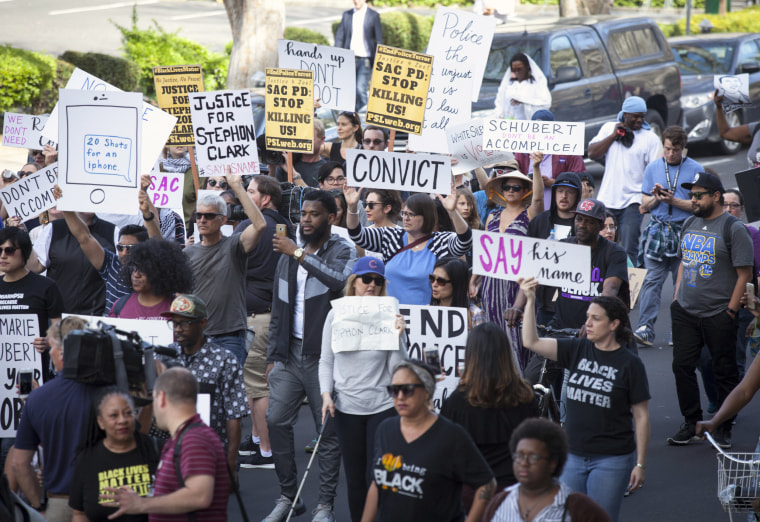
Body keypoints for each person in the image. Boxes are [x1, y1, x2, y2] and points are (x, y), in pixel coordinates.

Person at [519, 278, 650, 522]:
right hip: (573, 457)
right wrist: (529, 300)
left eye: (595, 319)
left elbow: (641, 416)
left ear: (614, 324)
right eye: (587, 317)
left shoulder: (630, 364)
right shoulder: (576, 349)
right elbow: (531, 342)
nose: (587, 323)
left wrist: (640, 465)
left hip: (611, 459)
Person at [264, 190, 357, 522]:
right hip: (289, 355)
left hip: (325, 358)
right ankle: (289, 496)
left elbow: (339, 280)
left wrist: (298, 252)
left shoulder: (341, 249)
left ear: (331, 219)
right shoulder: (288, 255)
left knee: (327, 433)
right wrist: (273, 355)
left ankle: (324, 505)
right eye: (302, 213)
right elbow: (279, 307)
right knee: (274, 421)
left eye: (314, 214)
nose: (305, 219)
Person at [667, 172, 754, 449]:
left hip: (718, 312)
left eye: (698, 195)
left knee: (724, 369)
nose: (692, 200)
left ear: (716, 196)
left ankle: (724, 426)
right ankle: (691, 423)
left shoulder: (733, 228)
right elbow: (683, 261)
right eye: (691, 195)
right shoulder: (690, 223)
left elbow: (744, 274)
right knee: (682, 366)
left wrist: (730, 311)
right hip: (685, 310)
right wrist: (676, 295)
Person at [319, 257, 407, 522]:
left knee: (380, 476)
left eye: (378, 281)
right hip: (347, 407)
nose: (371, 285)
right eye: (366, 279)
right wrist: (325, 394)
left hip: (382, 405)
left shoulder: (390, 314)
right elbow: (326, 359)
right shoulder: (336, 313)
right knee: (355, 478)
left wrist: (399, 338)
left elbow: (398, 369)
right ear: (354, 282)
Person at [360, 360, 496, 522]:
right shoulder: (385, 429)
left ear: (427, 392)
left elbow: (487, 483)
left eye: (407, 390)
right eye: (394, 390)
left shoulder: (451, 435)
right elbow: (378, 483)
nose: (400, 397)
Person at [101, 368, 229, 521]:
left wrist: (142, 504)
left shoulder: (194, 439)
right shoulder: (184, 438)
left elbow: (199, 495)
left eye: (153, 398)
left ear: (161, 398)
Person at [440, 323, 539, 509]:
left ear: (470, 355)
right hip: (514, 492)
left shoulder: (458, 401)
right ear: (505, 353)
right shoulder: (525, 395)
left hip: (471, 493)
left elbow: (445, 451)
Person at [12, 316, 98, 522]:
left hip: (59, 504)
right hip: (104, 501)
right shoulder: (109, 393)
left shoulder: (38, 399)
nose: (49, 353)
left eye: (51, 347)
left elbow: (19, 463)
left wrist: (38, 506)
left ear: (61, 351)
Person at [236, 175, 293, 469]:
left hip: (256, 319)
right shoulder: (285, 226)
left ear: (265, 198)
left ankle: (267, 451)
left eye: (250, 191)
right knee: (259, 383)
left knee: (258, 387)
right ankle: (258, 439)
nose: (245, 195)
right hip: (275, 315)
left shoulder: (248, 227)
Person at [157, 294, 248, 478]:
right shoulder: (165, 356)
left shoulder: (224, 360)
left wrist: (231, 463)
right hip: (169, 453)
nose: (178, 329)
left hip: (209, 455)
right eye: (174, 323)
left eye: (185, 323)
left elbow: (234, 415)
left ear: (203, 323)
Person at [184, 172, 267, 365]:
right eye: (199, 215)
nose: (202, 220)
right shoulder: (188, 253)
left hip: (230, 337)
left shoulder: (234, 245)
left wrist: (237, 186)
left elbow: (260, 224)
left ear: (223, 220)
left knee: (227, 393)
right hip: (197, 336)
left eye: (209, 216)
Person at [633, 126, 702, 346]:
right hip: (658, 230)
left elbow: (700, 205)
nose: (671, 153)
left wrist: (673, 201)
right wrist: (656, 198)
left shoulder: (696, 169)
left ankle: (679, 331)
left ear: (684, 148)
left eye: (676, 149)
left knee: (681, 284)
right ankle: (645, 328)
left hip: (685, 230)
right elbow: (644, 206)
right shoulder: (653, 168)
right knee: (652, 281)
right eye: (667, 148)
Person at [346, 186, 472, 305]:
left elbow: (465, 242)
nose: (405, 218)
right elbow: (358, 235)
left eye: (411, 215)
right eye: (404, 214)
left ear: (427, 216)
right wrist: (352, 208)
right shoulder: (391, 236)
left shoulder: (440, 241)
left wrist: (453, 212)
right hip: (391, 318)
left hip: (425, 318)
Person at [471, 166, 543, 371]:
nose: (510, 190)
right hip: (491, 286)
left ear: (525, 191)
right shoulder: (492, 217)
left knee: (519, 342)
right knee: (494, 343)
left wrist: (535, 167)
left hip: (517, 285)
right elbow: (486, 253)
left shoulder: (529, 214)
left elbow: (538, 200)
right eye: (506, 187)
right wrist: (475, 278)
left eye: (516, 187)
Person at [483, 418, 612, 522]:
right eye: (519, 455)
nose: (524, 463)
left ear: (552, 464)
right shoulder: (499, 503)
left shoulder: (579, 509)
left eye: (533, 457)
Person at [588, 96, 663, 263]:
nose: (639, 120)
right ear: (624, 114)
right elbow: (592, 153)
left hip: (633, 201)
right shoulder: (609, 128)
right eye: (635, 116)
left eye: (642, 116)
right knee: (601, 243)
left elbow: (656, 171)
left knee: (629, 247)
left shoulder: (650, 138)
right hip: (608, 199)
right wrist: (614, 135)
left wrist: (650, 200)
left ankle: (630, 285)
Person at [69, 388, 160, 522]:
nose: (122, 420)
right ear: (100, 422)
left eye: (128, 413)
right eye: (113, 415)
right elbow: (79, 513)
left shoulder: (157, 450)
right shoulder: (87, 460)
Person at [0, 227, 63, 377]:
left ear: (25, 253)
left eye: (9, 250)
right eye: (0, 250)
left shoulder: (47, 287)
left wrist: (49, 341)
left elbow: (59, 329)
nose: (3, 256)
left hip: (33, 372)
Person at [514, 110, 585, 210]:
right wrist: (528, 181)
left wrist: (553, 183)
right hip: (529, 210)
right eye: (537, 129)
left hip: (560, 210)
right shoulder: (522, 152)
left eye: (544, 129)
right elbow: (513, 180)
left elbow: (581, 180)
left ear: (554, 129)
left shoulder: (568, 150)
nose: (540, 133)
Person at [723, 188, 760, 377]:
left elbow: (758, 274)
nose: (729, 209)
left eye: (734, 205)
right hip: (713, 303)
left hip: (743, 303)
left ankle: (730, 402)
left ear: (742, 210)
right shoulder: (711, 233)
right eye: (724, 205)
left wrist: (756, 314)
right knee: (703, 356)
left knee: (736, 355)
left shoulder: (752, 234)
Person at [109, 238, 193, 319]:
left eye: (143, 270)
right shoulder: (119, 306)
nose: (136, 275)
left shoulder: (178, 308)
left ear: (162, 273)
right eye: (134, 269)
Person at [334, 0, 383, 112]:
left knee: (360, 89)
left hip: (365, 58)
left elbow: (379, 40)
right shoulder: (347, 14)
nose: (356, 1)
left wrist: (379, 61)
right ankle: (350, 117)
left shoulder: (373, 15)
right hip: (349, 59)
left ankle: (363, 119)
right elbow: (340, 37)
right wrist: (336, 55)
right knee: (348, 90)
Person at [430, 257, 485, 329]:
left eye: (441, 281)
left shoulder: (475, 314)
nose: (434, 284)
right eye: (432, 278)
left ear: (456, 283)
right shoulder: (425, 311)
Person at [494, 53, 551, 121]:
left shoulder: (536, 85)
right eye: (514, 70)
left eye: (520, 69)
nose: (517, 73)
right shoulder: (508, 85)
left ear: (527, 67)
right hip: (508, 125)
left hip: (526, 126)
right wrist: (499, 116)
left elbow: (545, 104)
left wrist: (524, 101)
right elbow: (499, 102)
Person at [275, 119, 327, 187]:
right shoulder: (288, 161)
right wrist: (272, 168)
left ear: (322, 140)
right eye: (302, 138)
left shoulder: (326, 169)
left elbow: (315, 196)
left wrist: (293, 174)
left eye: (310, 139)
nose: (305, 142)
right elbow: (272, 191)